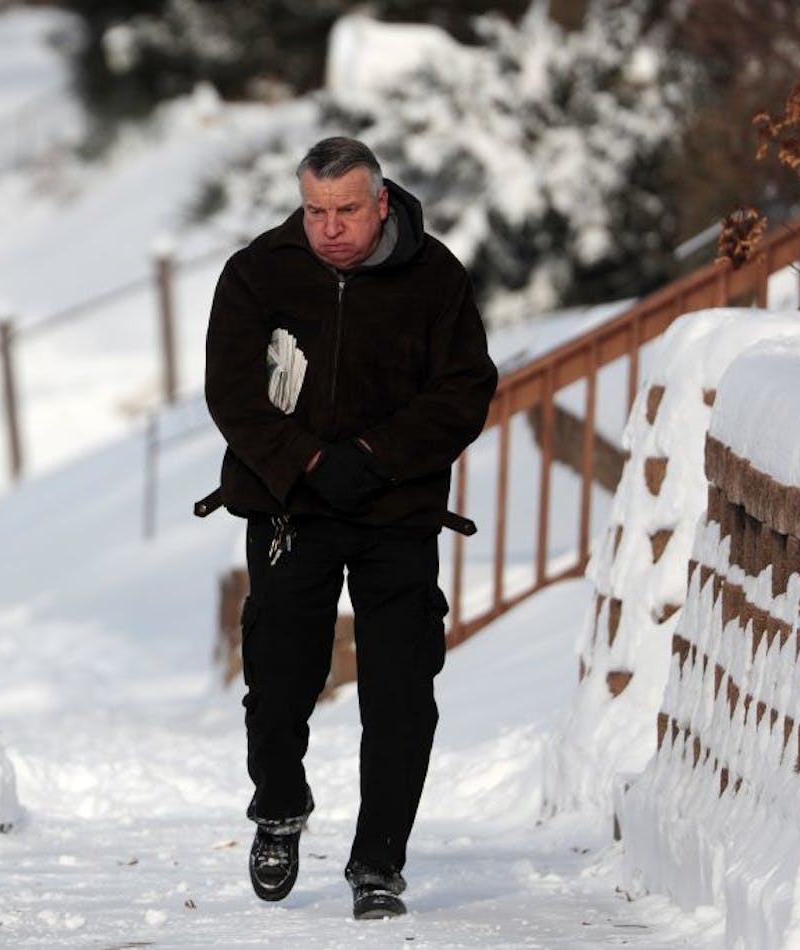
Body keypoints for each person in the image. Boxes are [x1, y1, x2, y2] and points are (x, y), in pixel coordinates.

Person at [203, 136, 497, 919]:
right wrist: (304, 462)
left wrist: (374, 455)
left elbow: (466, 389)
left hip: (395, 511)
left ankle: (378, 864)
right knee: (277, 679)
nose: (329, 227)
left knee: (402, 691)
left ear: (382, 204)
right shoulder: (257, 272)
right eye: (314, 211)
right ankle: (278, 806)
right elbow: (232, 394)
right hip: (288, 509)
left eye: (345, 211)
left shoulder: (434, 279)